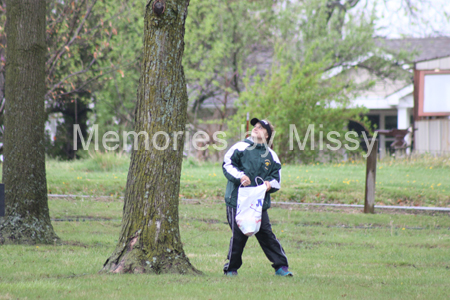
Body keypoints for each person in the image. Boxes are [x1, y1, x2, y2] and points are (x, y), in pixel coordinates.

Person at [222, 118, 293, 277]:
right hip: (237, 202)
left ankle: (281, 267)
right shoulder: (240, 147)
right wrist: (240, 177)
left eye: (261, 128)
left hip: (258, 204)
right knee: (239, 236)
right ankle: (231, 269)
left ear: (267, 135)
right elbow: (227, 165)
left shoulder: (272, 156)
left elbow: (277, 180)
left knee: (266, 235)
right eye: (256, 126)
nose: (256, 128)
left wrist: (269, 185)